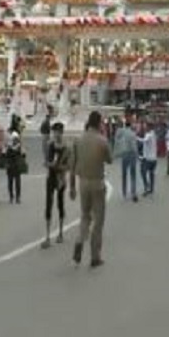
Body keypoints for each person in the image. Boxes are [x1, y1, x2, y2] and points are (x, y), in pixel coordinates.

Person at [69, 111, 112, 268]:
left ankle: (80, 240)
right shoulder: (101, 141)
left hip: (83, 183)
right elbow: (110, 159)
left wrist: (72, 186)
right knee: (98, 220)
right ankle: (95, 255)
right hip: (97, 182)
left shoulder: (79, 140)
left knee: (85, 216)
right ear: (99, 123)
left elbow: (72, 167)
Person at [42, 122, 68, 248]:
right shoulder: (50, 145)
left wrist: (59, 167)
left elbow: (68, 165)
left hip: (61, 178)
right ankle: (47, 236)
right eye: (54, 132)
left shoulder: (65, 147)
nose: (55, 134)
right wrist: (49, 164)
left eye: (57, 132)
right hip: (51, 177)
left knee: (60, 204)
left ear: (61, 132)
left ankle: (61, 233)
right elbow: (46, 161)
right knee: (48, 205)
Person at [114, 120, 139, 202]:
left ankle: (124, 193)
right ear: (131, 125)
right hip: (132, 154)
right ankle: (133, 192)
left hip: (124, 154)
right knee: (133, 174)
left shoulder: (122, 132)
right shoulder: (133, 133)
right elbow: (134, 146)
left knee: (124, 174)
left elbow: (116, 138)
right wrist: (137, 155)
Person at [4, 132, 24, 204]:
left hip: (15, 167)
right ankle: (11, 197)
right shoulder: (11, 147)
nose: (16, 140)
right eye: (15, 139)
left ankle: (17, 197)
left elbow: (23, 156)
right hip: (11, 167)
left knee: (17, 183)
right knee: (11, 183)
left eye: (16, 139)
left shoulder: (17, 147)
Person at [139, 122, 158, 196]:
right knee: (151, 173)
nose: (145, 128)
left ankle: (146, 188)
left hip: (148, 159)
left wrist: (136, 138)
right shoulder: (154, 134)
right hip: (154, 159)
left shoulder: (149, 135)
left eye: (146, 126)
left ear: (149, 127)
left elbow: (144, 140)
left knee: (143, 172)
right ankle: (152, 188)